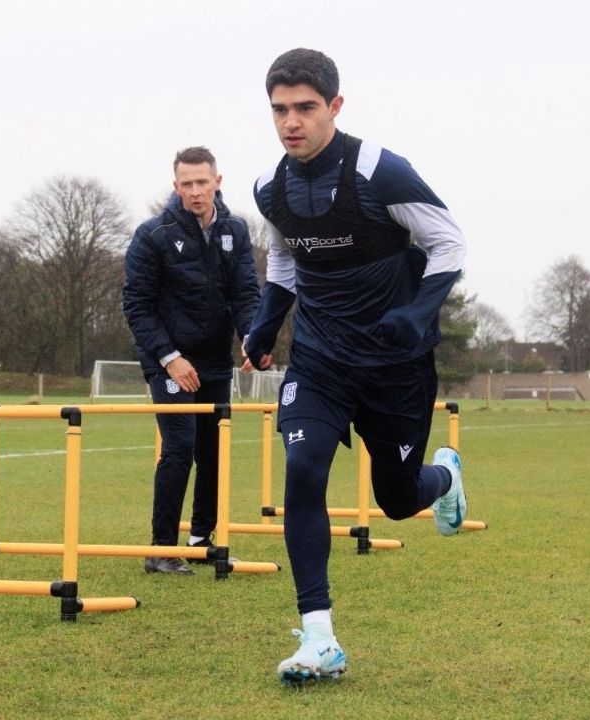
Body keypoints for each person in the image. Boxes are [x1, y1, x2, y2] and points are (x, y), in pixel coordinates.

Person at [242, 49, 469, 685]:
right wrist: (266, 322)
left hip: (395, 365)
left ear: (335, 107)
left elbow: (449, 241)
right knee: (303, 465)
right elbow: (286, 262)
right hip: (320, 359)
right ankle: (319, 638)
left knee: (396, 501)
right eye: (280, 110)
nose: (291, 122)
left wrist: (418, 313)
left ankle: (444, 478)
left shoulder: (381, 172)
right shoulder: (269, 189)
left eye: (305, 108)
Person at [123, 146, 261, 575]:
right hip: (168, 360)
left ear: (218, 182)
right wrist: (169, 358)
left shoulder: (236, 231)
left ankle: (202, 539)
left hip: (214, 359)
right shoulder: (154, 234)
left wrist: (254, 336)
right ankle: (160, 549)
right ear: (176, 186)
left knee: (213, 451)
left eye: (203, 182)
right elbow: (137, 305)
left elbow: (246, 294)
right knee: (179, 447)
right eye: (187, 184)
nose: (196, 191)